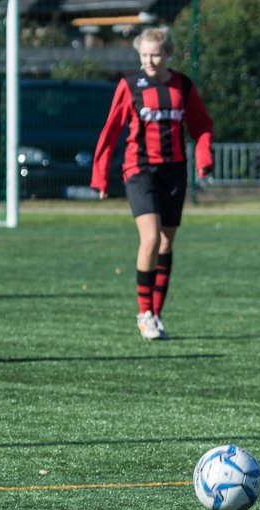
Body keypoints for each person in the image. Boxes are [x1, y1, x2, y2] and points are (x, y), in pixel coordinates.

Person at [91, 26, 214, 341]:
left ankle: (157, 315)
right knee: (150, 240)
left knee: (166, 243)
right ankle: (144, 314)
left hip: (174, 172)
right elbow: (111, 130)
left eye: (155, 54)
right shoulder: (129, 85)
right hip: (140, 169)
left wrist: (203, 159)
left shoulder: (182, 86)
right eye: (144, 55)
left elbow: (201, 126)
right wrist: (101, 175)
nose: (149, 60)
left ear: (169, 54)